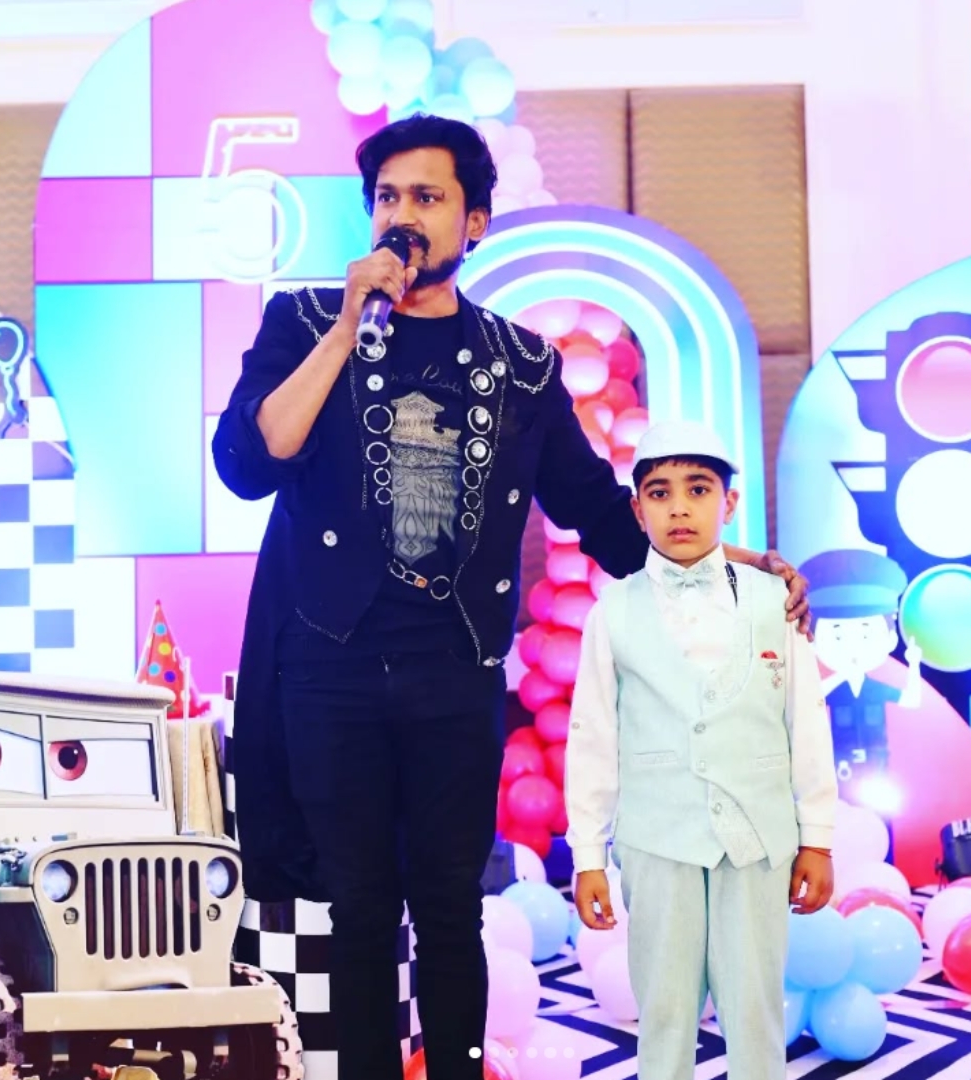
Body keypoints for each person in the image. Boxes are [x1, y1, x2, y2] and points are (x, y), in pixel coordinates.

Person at [212, 115, 811, 1080]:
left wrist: (736, 562)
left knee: (450, 907)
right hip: (329, 668)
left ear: (476, 222)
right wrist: (346, 327)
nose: (403, 216)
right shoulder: (305, 321)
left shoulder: (522, 365)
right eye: (388, 198)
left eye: (428, 197)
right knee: (358, 910)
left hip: (452, 672)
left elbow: (601, 517)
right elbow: (250, 461)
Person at [566, 419, 838, 1080]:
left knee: (755, 1006)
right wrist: (587, 855)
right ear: (638, 511)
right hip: (657, 838)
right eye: (659, 493)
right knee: (663, 1007)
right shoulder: (612, 610)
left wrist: (818, 838)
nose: (680, 507)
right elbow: (593, 736)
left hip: (759, 835)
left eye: (699, 489)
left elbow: (806, 721)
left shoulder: (776, 602)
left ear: (729, 503)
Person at [798, 547, 922, 849]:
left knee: (881, 830)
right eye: (838, 635)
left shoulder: (874, 688)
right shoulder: (831, 688)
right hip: (834, 777)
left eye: (866, 634)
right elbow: (809, 701)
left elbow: (910, 699)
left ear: (889, 638)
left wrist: (914, 664)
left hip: (878, 771)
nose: (852, 647)